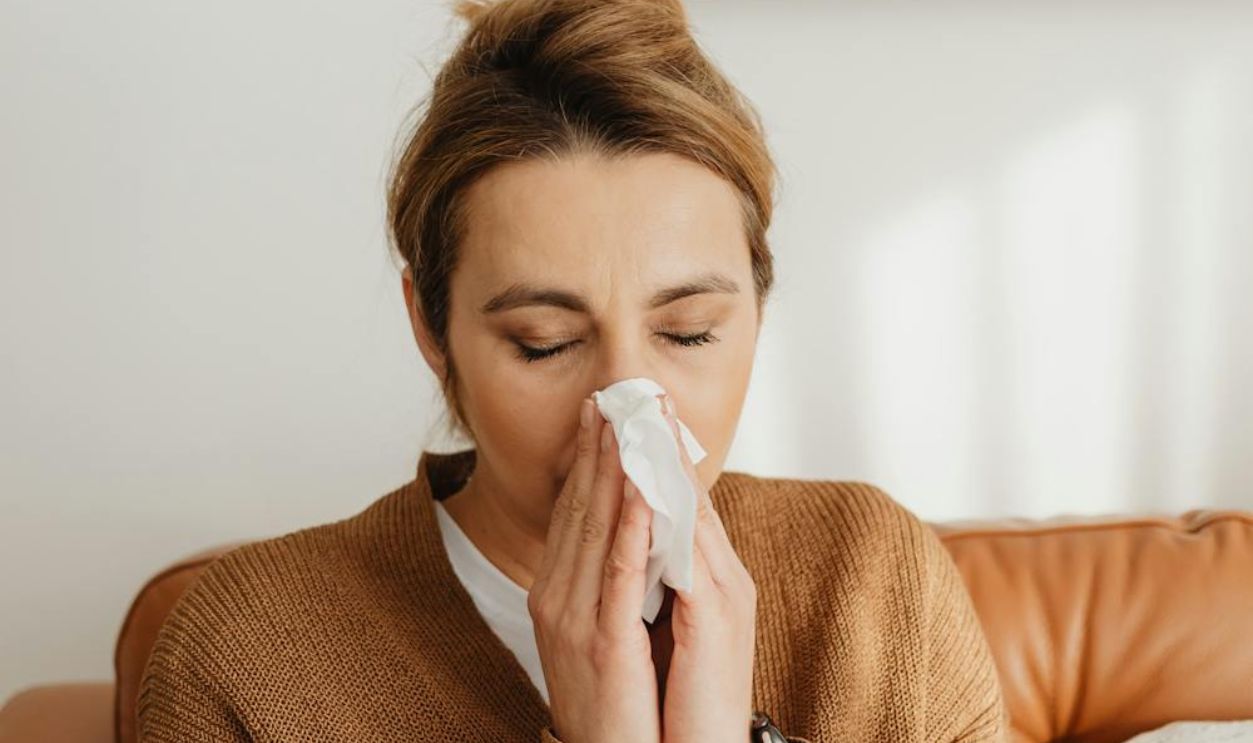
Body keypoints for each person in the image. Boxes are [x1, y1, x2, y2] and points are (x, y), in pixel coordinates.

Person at [136, 0, 1011, 741]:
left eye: (691, 331)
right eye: (545, 342)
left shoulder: (869, 579)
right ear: (430, 325)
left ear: (757, 306)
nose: (632, 413)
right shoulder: (246, 656)